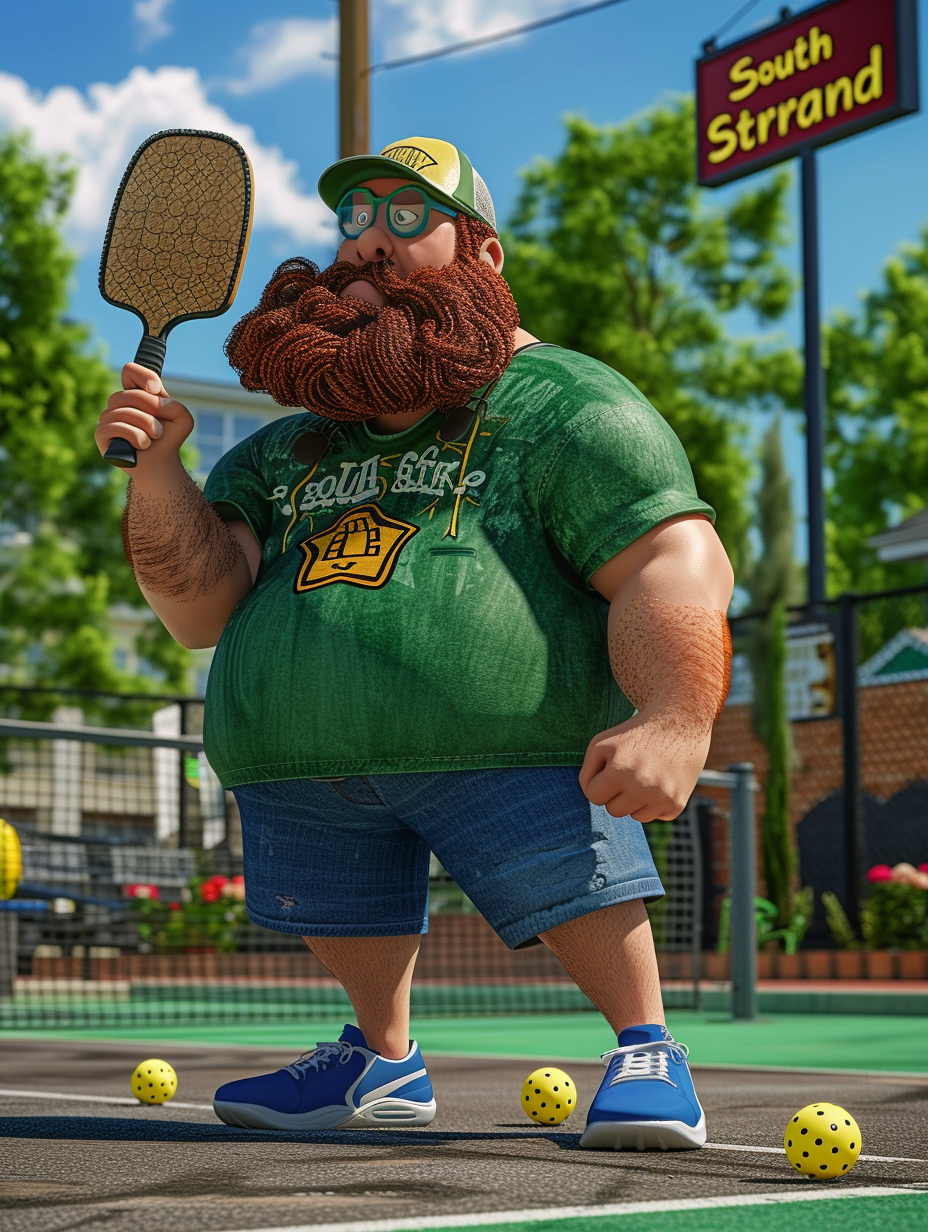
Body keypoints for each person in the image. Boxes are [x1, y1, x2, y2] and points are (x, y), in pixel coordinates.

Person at [96, 136, 734, 1150]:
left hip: (513, 750)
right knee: (341, 900)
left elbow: (671, 558)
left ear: (481, 255)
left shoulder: (565, 406)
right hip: (305, 766)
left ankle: (646, 1047)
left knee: (575, 878)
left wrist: (674, 712)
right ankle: (379, 1058)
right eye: (352, 224)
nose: (364, 249)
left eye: (402, 219)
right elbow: (198, 604)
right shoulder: (288, 445)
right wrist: (160, 472)